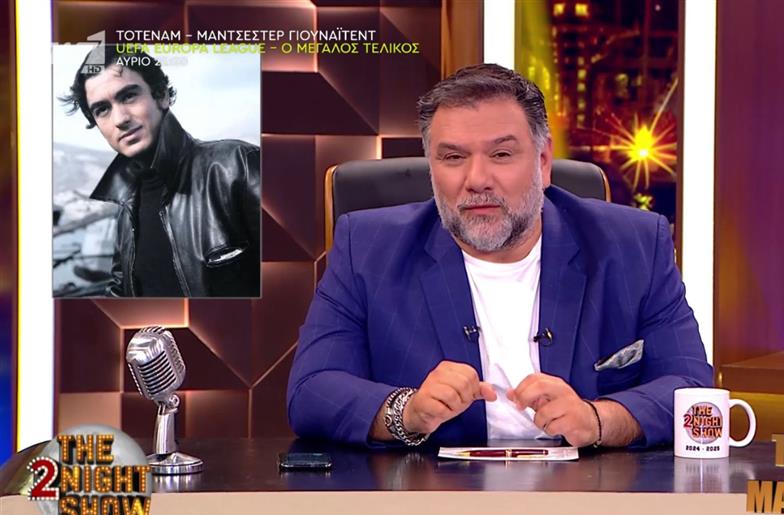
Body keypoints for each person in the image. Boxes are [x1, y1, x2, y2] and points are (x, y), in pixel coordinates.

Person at [288, 64, 711, 448]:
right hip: (431, 495)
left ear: (542, 163)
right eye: (453, 157)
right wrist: (406, 412)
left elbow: (692, 388)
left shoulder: (635, 245)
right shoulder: (366, 248)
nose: (477, 179)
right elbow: (311, 390)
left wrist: (598, 420)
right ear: (431, 167)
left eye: (501, 155)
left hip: (589, 496)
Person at [60, 45, 260, 297]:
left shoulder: (237, 165)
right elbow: (121, 292)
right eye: (102, 109)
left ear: (161, 95)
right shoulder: (127, 205)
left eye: (128, 96)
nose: (120, 119)